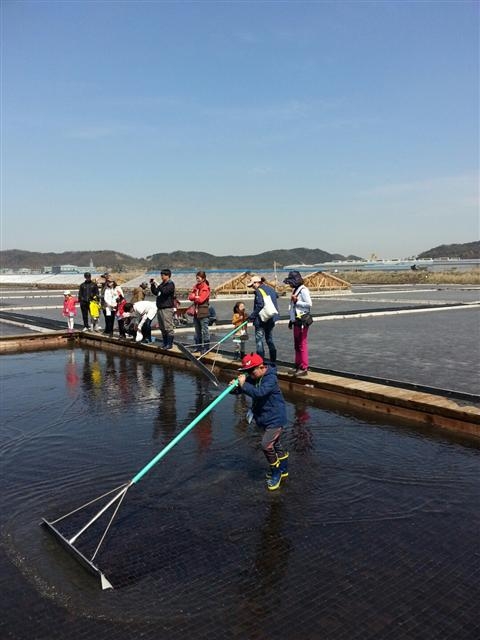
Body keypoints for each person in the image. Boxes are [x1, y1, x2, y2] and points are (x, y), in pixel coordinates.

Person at [230, 353, 288, 491]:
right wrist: (235, 388)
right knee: (276, 444)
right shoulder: (254, 377)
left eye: (251, 371)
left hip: (275, 418)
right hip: (264, 418)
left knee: (266, 445)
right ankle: (284, 469)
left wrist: (244, 386)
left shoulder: (270, 379)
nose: (250, 374)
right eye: (247, 372)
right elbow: (244, 389)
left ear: (262, 367)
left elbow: (259, 393)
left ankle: (276, 473)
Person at [283, 270, 313, 376]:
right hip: (296, 320)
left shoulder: (303, 290)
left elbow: (309, 304)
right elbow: (293, 308)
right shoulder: (296, 290)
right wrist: (291, 321)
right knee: (297, 344)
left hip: (302, 321)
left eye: (290, 282)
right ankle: (297, 365)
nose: (289, 284)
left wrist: (297, 301)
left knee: (302, 344)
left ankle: (304, 367)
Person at [247, 275, 279, 364]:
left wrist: (251, 317)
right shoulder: (271, 289)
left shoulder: (258, 291)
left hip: (261, 320)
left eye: (252, 285)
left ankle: (260, 362)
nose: (252, 287)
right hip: (271, 318)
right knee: (269, 339)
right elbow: (276, 296)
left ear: (257, 283)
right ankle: (273, 361)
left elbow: (260, 305)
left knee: (259, 341)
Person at [150, 269, 176, 349]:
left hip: (167, 308)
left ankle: (169, 344)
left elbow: (165, 291)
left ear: (168, 275)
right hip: (160, 307)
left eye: (163, 275)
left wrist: (158, 284)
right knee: (162, 327)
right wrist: (152, 285)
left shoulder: (170, 284)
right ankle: (165, 343)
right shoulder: (162, 284)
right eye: (161, 275)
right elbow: (156, 292)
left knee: (168, 327)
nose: (161, 276)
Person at [188, 271, 211, 354]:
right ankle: (198, 347)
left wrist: (195, 297)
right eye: (196, 278)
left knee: (205, 330)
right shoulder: (196, 287)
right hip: (196, 312)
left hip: (203, 312)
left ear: (203, 278)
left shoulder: (206, 288)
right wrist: (195, 296)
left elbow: (201, 299)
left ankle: (206, 347)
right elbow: (190, 297)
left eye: (198, 278)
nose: (197, 279)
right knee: (197, 331)